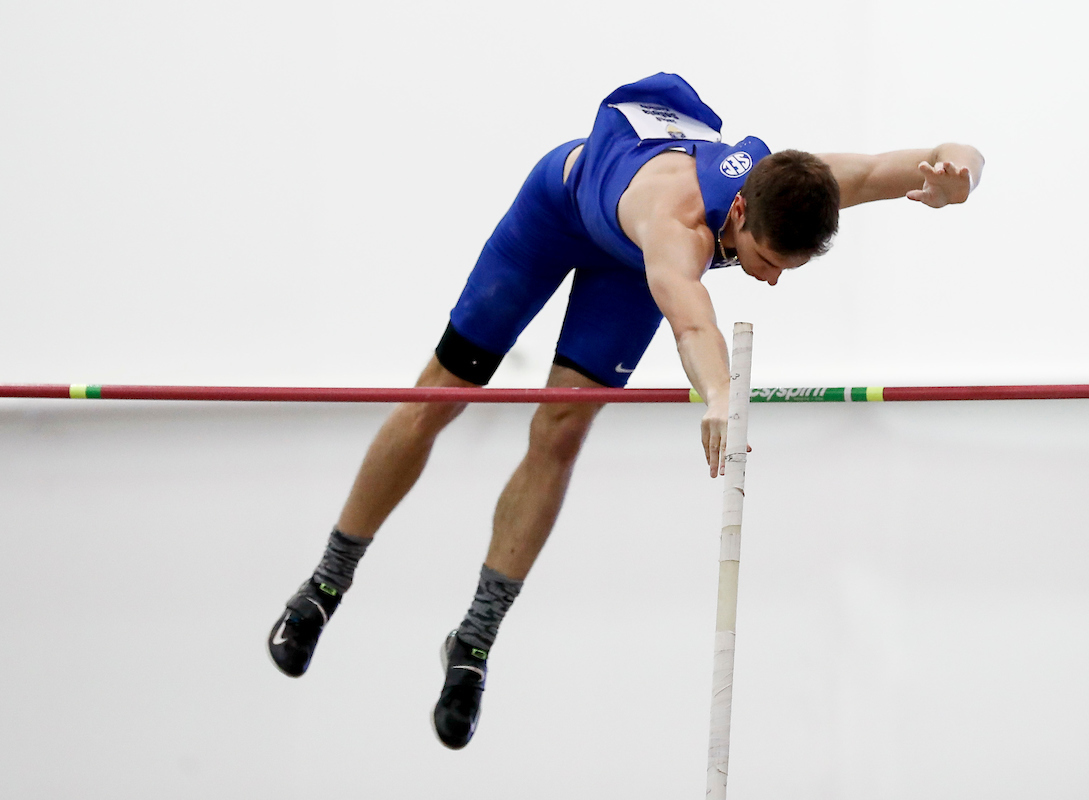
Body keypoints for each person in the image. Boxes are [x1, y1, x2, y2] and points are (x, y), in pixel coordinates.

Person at [265, 73, 984, 749]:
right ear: (738, 212)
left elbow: (937, 155)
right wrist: (723, 395)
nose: (766, 281)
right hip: (555, 213)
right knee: (441, 396)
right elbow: (694, 325)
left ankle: (474, 640)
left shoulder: (794, 182)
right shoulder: (679, 229)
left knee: (562, 428)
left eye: (783, 271)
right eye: (765, 260)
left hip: (623, 268)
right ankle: (326, 582)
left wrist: (958, 179)